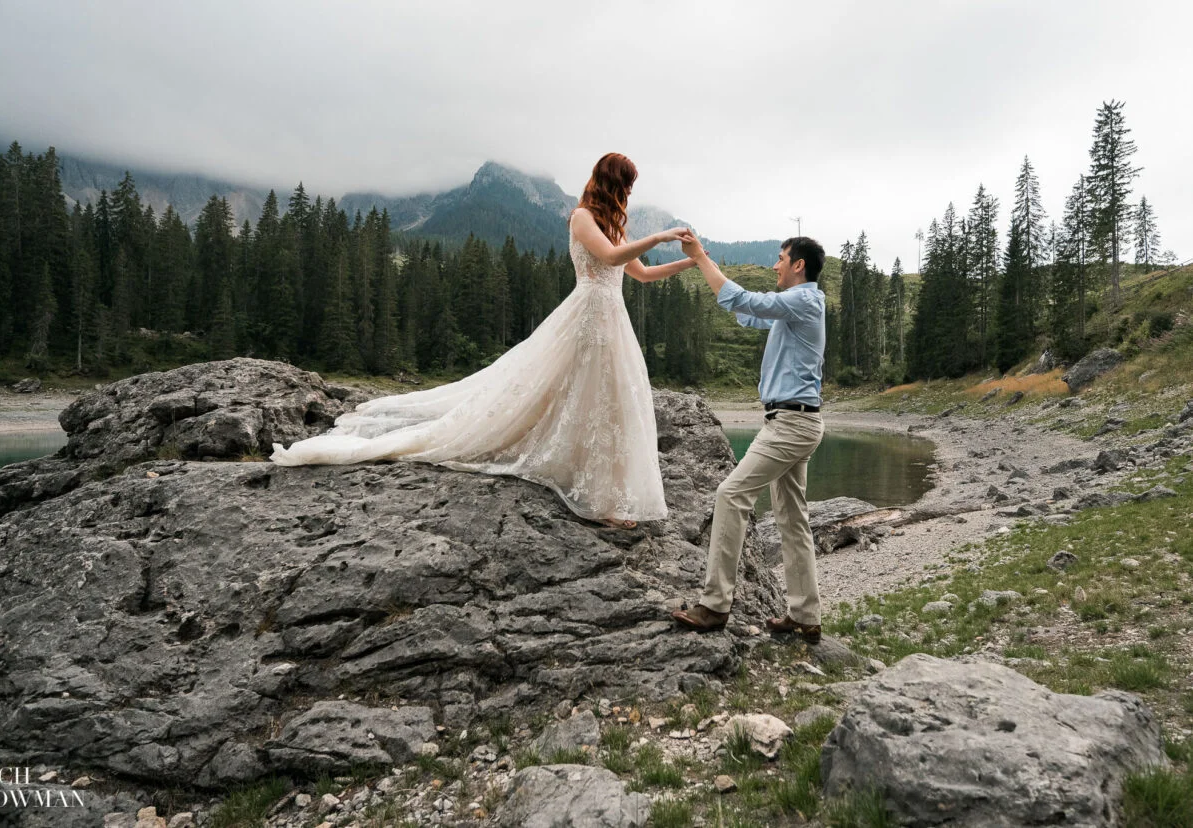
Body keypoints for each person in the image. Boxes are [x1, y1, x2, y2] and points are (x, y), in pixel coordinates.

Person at [270, 152, 696, 529]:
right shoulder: (582, 217)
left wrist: (688, 263)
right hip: (587, 314)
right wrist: (658, 237)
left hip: (612, 317)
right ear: (612, 182)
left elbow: (640, 273)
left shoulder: (615, 226)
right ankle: (592, 492)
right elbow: (607, 258)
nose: (629, 192)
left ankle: (603, 489)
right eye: (626, 184)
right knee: (574, 392)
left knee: (609, 398)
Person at [670, 235, 828, 643]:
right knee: (792, 518)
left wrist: (700, 257)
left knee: (730, 494)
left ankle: (714, 605)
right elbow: (746, 312)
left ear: (799, 265)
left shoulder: (804, 301)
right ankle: (805, 615)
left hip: (791, 424)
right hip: (795, 421)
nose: (775, 266)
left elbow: (745, 300)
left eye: (780, 260)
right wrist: (705, 268)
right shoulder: (792, 309)